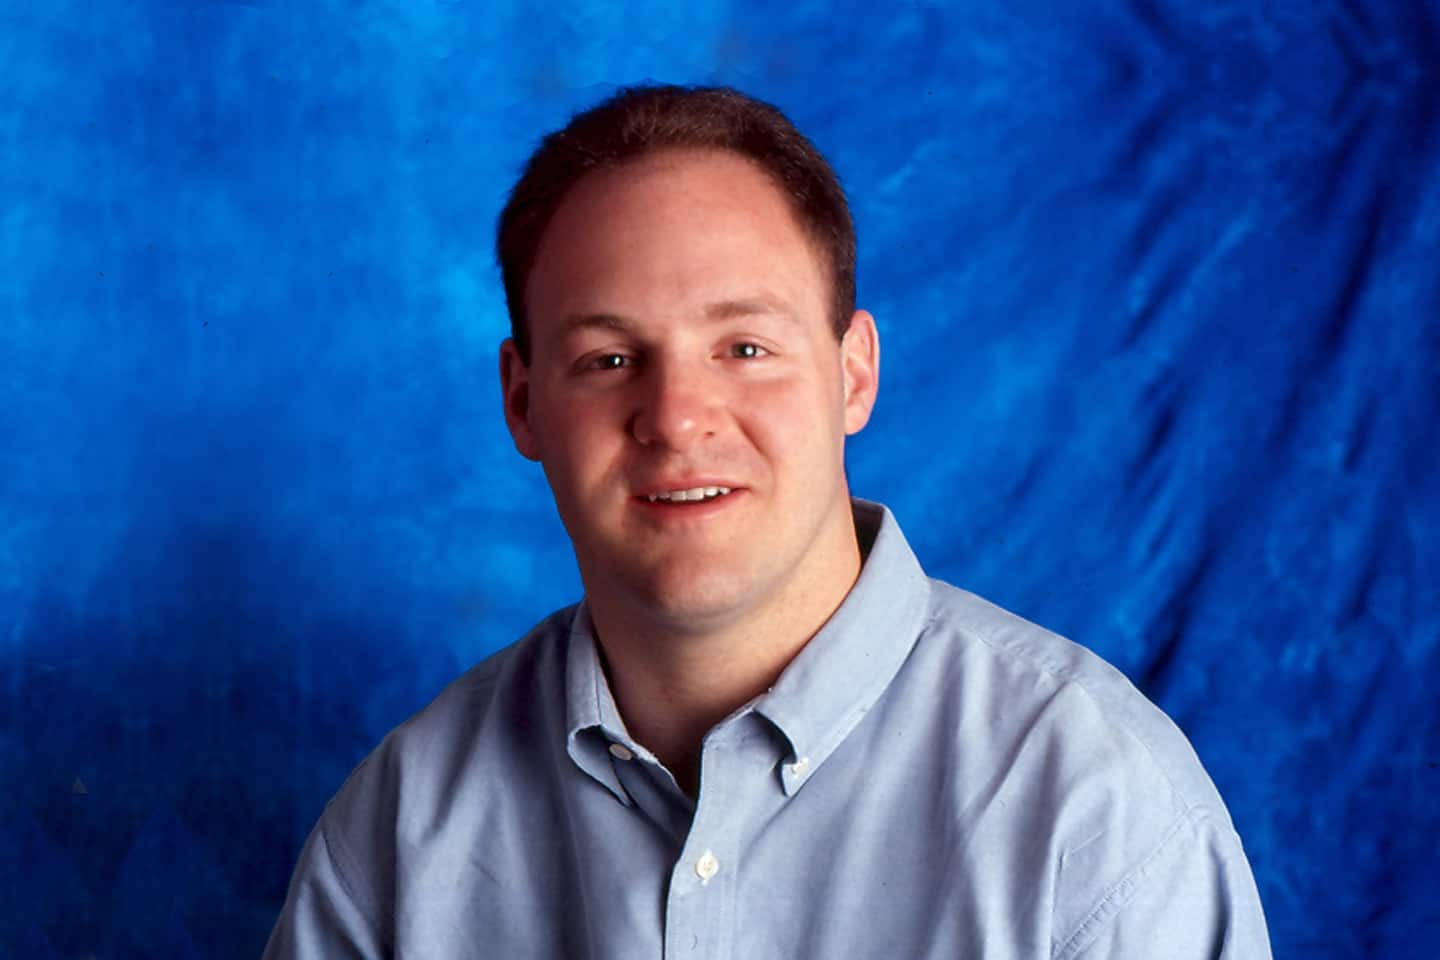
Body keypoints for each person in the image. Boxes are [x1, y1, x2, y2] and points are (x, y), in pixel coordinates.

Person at [264, 83, 1273, 958]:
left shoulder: (1094, 807)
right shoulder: (399, 834)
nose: (677, 419)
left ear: (854, 373)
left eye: (744, 348)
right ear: (523, 404)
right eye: (609, 359)